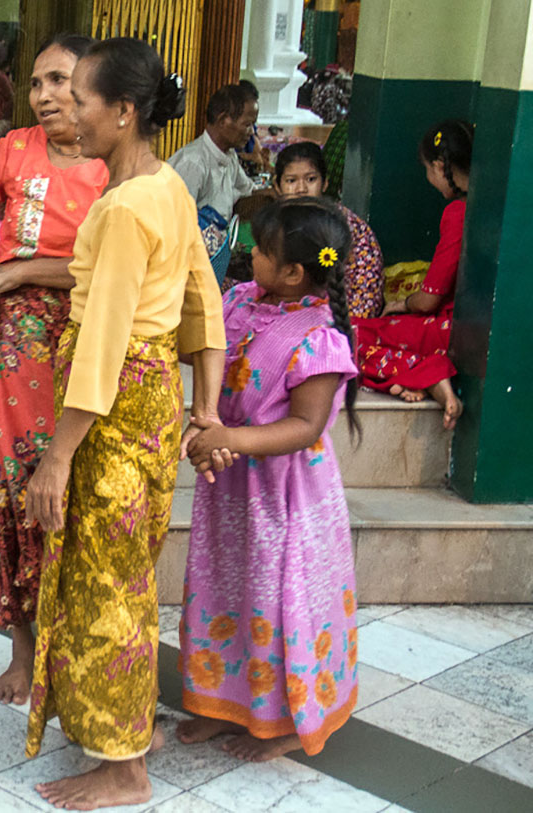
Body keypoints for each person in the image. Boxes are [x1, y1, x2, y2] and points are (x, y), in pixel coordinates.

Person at [22, 38, 226, 808]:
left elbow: (102, 345)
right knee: (128, 574)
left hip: (107, 409)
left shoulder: (121, 209)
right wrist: (204, 405)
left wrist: (58, 458)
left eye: (79, 97)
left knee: (108, 585)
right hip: (154, 402)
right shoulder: (168, 188)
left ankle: (123, 766)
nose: (66, 109)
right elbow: (205, 300)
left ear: (124, 111)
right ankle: (113, 729)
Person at [0, 34, 108, 706]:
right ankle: (23, 649)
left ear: (94, 88)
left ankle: (72, 651)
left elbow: (109, 269)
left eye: (59, 81)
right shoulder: (13, 148)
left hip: (82, 343)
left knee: (69, 496)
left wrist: (22, 270)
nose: (42, 95)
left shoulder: (111, 168)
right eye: (36, 82)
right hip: (7, 345)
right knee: (8, 491)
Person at [176, 197, 360, 762]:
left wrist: (229, 439)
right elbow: (205, 356)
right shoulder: (238, 300)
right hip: (231, 491)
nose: (250, 255)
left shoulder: (318, 340)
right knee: (223, 591)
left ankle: (284, 719)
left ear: (293, 273)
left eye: (260, 250)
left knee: (279, 603)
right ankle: (219, 703)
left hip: (283, 498)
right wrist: (205, 420)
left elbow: (304, 427)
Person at [353, 119, 469, 429]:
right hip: (462, 324)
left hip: (449, 328)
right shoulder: (486, 206)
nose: (429, 178)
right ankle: (422, 377)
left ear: (441, 165)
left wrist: (402, 304)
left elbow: (428, 300)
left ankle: (430, 376)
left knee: (353, 335)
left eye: (428, 170)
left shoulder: (458, 212)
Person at [274, 141, 383, 318]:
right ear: (278, 186)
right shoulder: (283, 222)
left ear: (325, 183)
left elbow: (362, 297)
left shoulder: (339, 223)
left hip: (348, 314)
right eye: (291, 181)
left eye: (311, 179)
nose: (301, 189)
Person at [167, 82, 258, 221]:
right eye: (247, 124)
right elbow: (176, 224)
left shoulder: (229, 155)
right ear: (223, 120)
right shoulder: (193, 163)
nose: (252, 132)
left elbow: (248, 192)